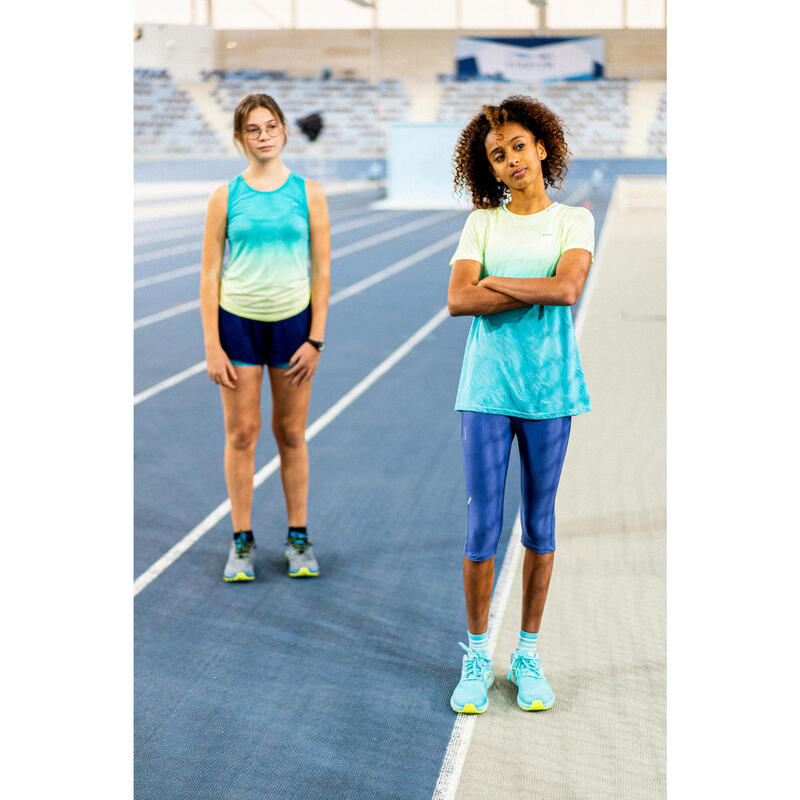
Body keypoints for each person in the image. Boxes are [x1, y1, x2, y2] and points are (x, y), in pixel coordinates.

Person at [446, 95, 594, 713]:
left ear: (542, 147)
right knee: (484, 523)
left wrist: (495, 283)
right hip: (485, 388)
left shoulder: (574, 219)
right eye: (497, 155)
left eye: (518, 147)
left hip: (550, 387)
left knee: (541, 523)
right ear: (490, 168)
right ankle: (478, 654)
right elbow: (457, 300)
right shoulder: (481, 222)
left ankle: (527, 654)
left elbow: (566, 289)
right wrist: (512, 288)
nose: (510, 160)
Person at [200, 93, 330, 582]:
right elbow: (210, 273)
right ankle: (241, 541)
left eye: (270, 126)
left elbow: (322, 269)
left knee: (292, 434)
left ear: (283, 130)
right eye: (252, 129)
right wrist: (212, 344)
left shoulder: (310, 193)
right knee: (242, 434)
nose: (263, 135)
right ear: (240, 138)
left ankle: (298, 537)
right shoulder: (225, 197)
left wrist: (315, 339)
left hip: (293, 325)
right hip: (237, 323)